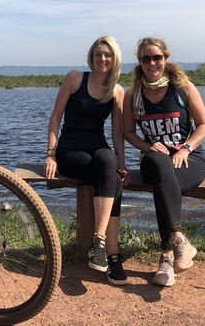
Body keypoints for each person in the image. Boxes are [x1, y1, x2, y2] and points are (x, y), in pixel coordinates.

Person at [123, 37, 205, 287]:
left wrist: (185, 148)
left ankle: (166, 258)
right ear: (139, 63)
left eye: (156, 57)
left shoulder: (182, 87)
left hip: (189, 160)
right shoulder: (132, 95)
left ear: (165, 59)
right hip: (152, 160)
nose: (152, 62)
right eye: (146, 58)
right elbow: (128, 132)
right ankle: (180, 241)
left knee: (165, 186)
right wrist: (148, 145)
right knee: (161, 165)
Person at [44, 35, 129, 286]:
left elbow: (116, 133)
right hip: (70, 150)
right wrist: (51, 153)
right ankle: (112, 256)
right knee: (112, 179)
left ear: (115, 59)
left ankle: (99, 242)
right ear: (91, 57)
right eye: (98, 54)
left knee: (110, 166)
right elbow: (55, 117)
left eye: (108, 55)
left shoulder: (116, 91)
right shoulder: (74, 78)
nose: (103, 59)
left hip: (97, 147)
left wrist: (122, 164)